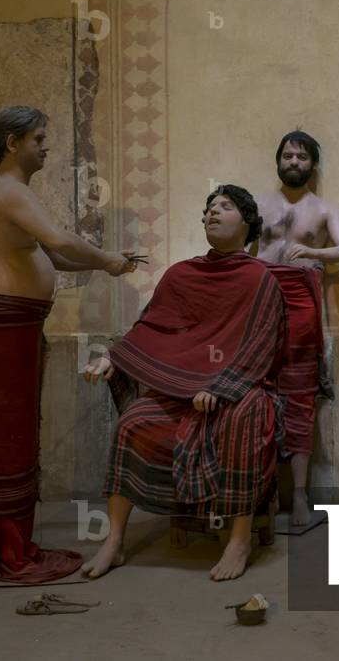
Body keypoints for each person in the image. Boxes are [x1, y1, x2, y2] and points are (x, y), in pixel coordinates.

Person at [0, 105, 139, 584]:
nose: (46, 146)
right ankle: (6, 553)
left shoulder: (16, 196)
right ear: (11, 143)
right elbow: (60, 238)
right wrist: (107, 261)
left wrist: (109, 263)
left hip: (15, 325)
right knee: (4, 436)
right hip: (2, 327)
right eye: (38, 138)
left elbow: (53, 255)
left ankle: (13, 544)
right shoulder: (9, 193)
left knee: (17, 432)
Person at [81, 185, 286, 581]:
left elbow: (262, 345)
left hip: (238, 390)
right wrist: (113, 358)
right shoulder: (181, 274)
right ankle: (115, 541)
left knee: (248, 415)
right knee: (133, 423)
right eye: (209, 207)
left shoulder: (261, 280)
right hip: (181, 390)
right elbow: (151, 328)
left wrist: (221, 386)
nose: (212, 212)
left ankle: (239, 539)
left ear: (247, 223)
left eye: (225, 207)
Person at [253, 130, 339, 525]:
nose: (293, 162)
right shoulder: (258, 205)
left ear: (313, 165)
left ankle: (299, 499)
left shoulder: (325, 210)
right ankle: (263, 494)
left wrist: (312, 252)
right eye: (287, 155)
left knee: (298, 396)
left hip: (301, 305)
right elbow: (239, 250)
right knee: (257, 393)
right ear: (277, 161)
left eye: (301, 157)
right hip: (260, 303)